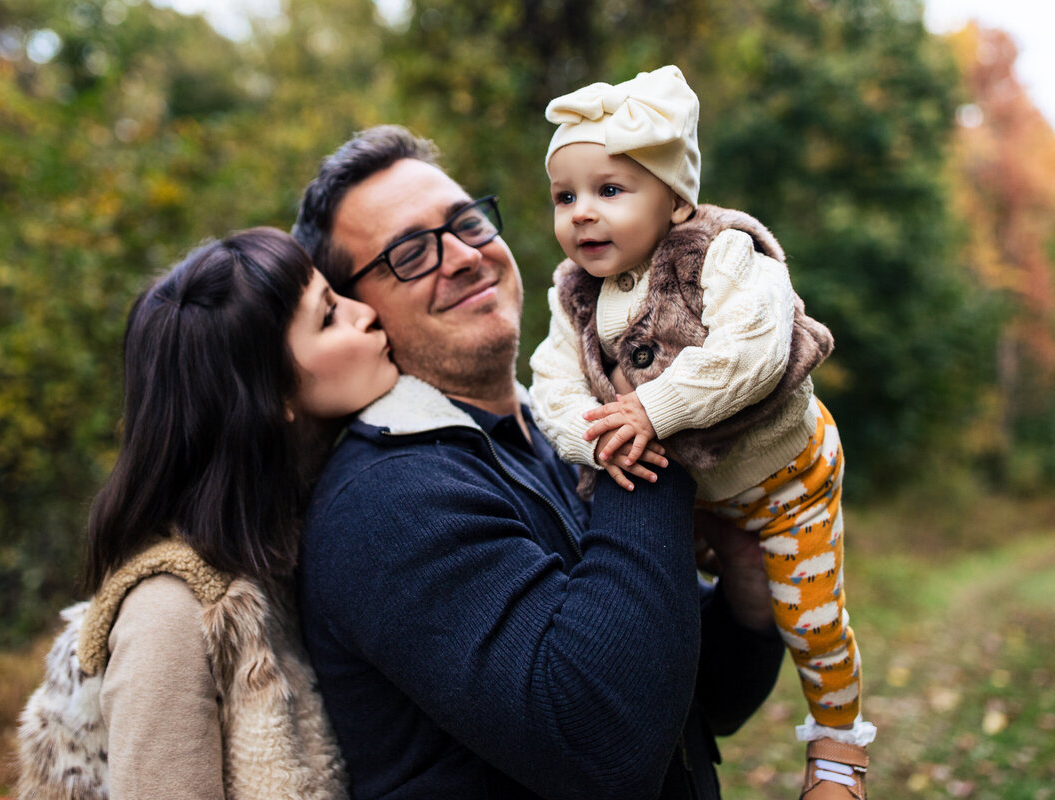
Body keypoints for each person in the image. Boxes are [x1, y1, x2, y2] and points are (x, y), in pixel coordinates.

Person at [290, 124, 786, 799]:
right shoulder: (388, 497)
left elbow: (692, 700)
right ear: (356, 309)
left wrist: (748, 589)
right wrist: (645, 405)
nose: (464, 255)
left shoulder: (545, 434)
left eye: (467, 221)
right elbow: (601, 741)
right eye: (409, 252)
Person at [528, 66, 877, 800]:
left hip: (787, 476)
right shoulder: (574, 295)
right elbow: (551, 384)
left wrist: (655, 408)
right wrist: (590, 435)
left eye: (609, 191)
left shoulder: (719, 251)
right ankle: (669, 727)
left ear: (675, 199)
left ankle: (839, 752)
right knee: (657, 599)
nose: (582, 214)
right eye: (566, 197)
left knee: (810, 618)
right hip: (701, 494)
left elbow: (752, 348)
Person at [17, 227, 399, 799]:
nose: (365, 313)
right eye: (328, 317)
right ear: (270, 396)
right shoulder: (169, 614)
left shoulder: (289, 544)